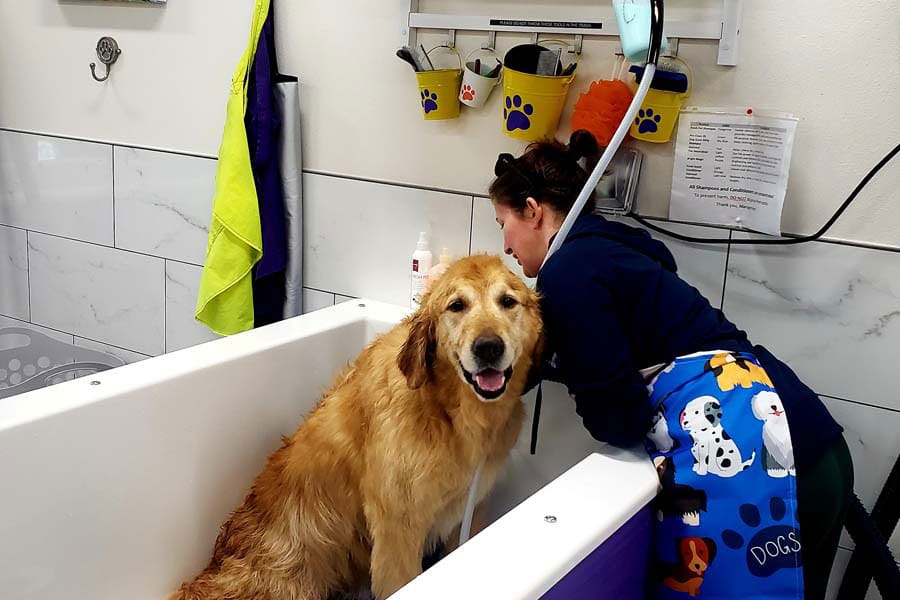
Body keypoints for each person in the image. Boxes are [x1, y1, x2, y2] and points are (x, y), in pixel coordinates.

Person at [489, 130, 853, 600]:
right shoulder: (609, 251)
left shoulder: (570, 270)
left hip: (776, 460)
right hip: (814, 448)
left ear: (534, 211)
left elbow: (619, 419)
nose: (505, 245)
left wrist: (572, 368)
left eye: (503, 223)